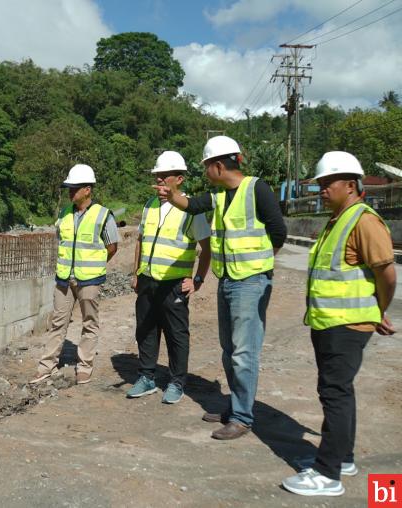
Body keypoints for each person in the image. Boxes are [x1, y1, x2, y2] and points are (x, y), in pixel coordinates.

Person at [154, 136, 287, 439]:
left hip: (250, 282)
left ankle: (242, 417)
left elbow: (278, 232)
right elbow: (191, 205)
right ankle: (235, 407)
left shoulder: (257, 189)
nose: (204, 173)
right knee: (229, 351)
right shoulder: (220, 196)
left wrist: (262, 265)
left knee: (244, 352)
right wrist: (171, 193)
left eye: (205, 167)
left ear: (217, 165)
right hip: (227, 280)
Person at [282, 151, 396, 497]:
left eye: (327, 183)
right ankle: (342, 458)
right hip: (332, 323)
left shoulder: (363, 221)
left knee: (335, 394)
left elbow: (386, 273)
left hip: (345, 326)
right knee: (338, 391)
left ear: (351, 184)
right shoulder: (338, 219)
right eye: (320, 184)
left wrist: (379, 309)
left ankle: (327, 475)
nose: (322, 190)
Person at [127, 151, 211, 404]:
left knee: (177, 335)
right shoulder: (149, 206)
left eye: (165, 176)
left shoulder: (191, 209)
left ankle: (176, 382)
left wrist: (197, 281)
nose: (160, 180)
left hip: (175, 284)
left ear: (180, 179)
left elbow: (206, 248)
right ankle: (147, 377)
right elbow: (141, 241)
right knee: (146, 330)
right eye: (157, 176)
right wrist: (136, 273)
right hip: (148, 280)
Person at [31, 164, 119, 385]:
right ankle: (46, 366)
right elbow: (63, 242)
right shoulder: (64, 214)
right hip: (64, 279)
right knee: (57, 322)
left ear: (87, 189)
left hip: (89, 280)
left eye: (74, 188)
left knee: (89, 322)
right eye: (69, 188)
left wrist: (93, 265)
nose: (70, 192)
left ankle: (84, 366)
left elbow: (112, 247)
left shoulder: (103, 215)